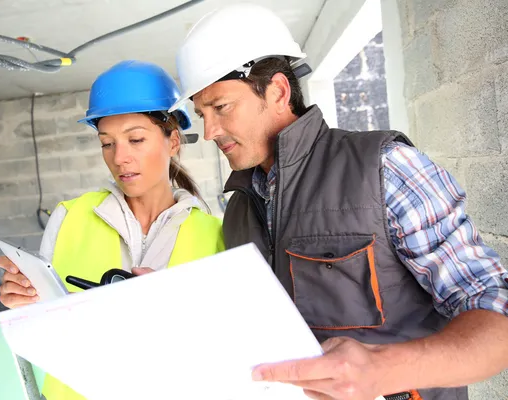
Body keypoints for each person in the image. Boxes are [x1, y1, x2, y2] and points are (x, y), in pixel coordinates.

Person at [170, 4, 508, 400]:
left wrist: (383, 370)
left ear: (278, 91)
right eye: (201, 113)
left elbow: (495, 312)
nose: (210, 131)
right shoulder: (240, 208)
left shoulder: (383, 168)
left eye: (221, 107)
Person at [0, 60, 225, 399]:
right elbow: (41, 330)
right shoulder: (69, 217)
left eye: (135, 139)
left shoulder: (218, 236)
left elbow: (227, 346)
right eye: (107, 143)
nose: (120, 158)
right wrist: (22, 304)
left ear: (173, 142)